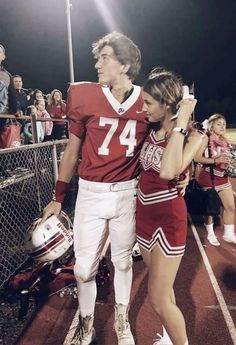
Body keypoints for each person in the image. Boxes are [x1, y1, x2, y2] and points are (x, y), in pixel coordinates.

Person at [42, 32, 188, 345]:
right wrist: (57, 196)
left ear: (124, 64)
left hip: (127, 192)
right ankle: (86, 322)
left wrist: (183, 171)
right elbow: (71, 151)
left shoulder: (146, 98)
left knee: (122, 262)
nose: (97, 64)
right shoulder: (84, 95)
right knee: (83, 269)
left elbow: (172, 134)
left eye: (104, 57)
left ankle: (122, 321)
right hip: (91, 193)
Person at [136, 67, 203, 345]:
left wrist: (182, 120)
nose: (143, 108)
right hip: (144, 216)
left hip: (168, 219)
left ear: (166, 104)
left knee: (158, 299)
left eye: (149, 103)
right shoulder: (147, 129)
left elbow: (168, 170)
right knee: (163, 289)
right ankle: (168, 337)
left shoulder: (194, 136)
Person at [194, 113, 236, 246]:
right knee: (209, 210)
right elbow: (196, 158)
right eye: (219, 124)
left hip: (222, 178)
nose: (222, 126)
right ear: (212, 126)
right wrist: (215, 160)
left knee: (230, 206)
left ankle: (229, 234)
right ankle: (210, 233)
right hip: (208, 177)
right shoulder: (205, 138)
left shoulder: (225, 140)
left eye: (224, 124)